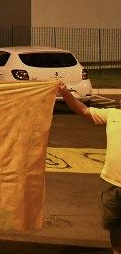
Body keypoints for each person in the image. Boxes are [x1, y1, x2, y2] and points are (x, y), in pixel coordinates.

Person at [58, 81, 121, 253]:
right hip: (112, 183)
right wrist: (65, 93)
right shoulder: (113, 114)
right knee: (113, 224)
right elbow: (83, 110)